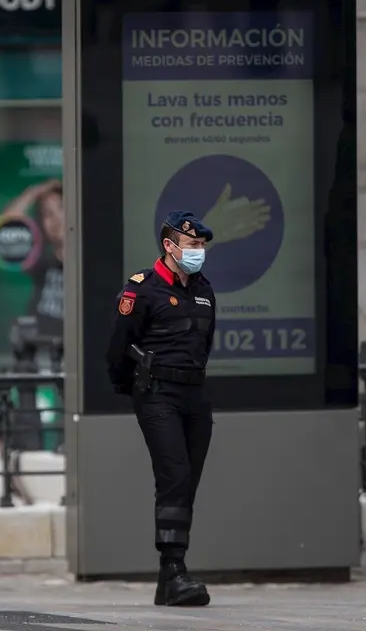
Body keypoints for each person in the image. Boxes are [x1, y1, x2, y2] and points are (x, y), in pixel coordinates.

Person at [105, 210, 217, 607]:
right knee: (174, 475)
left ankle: (170, 578)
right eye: (192, 245)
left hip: (194, 396)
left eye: (202, 245)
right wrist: (134, 389)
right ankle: (173, 570)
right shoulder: (142, 290)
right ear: (170, 246)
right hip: (158, 394)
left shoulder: (204, 290)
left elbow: (206, 346)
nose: (199, 251)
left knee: (187, 482)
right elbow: (117, 348)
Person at [0, 178, 64, 338]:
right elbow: (6, 227)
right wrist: (33, 193)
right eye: (47, 214)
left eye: (62, 208)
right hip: (41, 349)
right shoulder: (41, 260)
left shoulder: (91, 260)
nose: (56, 220)